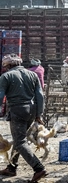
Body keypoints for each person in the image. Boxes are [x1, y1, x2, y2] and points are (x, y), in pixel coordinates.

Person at [0, 54, 48, 182]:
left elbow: (0, 96)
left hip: (17, 110)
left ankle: (39, 168)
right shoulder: (32, 75)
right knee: (18, 139)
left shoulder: (6, 76)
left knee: (20, 142)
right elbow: (40, 95)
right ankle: (11, 167)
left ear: (8, 65)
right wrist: (39, 114)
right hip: (31, 110)